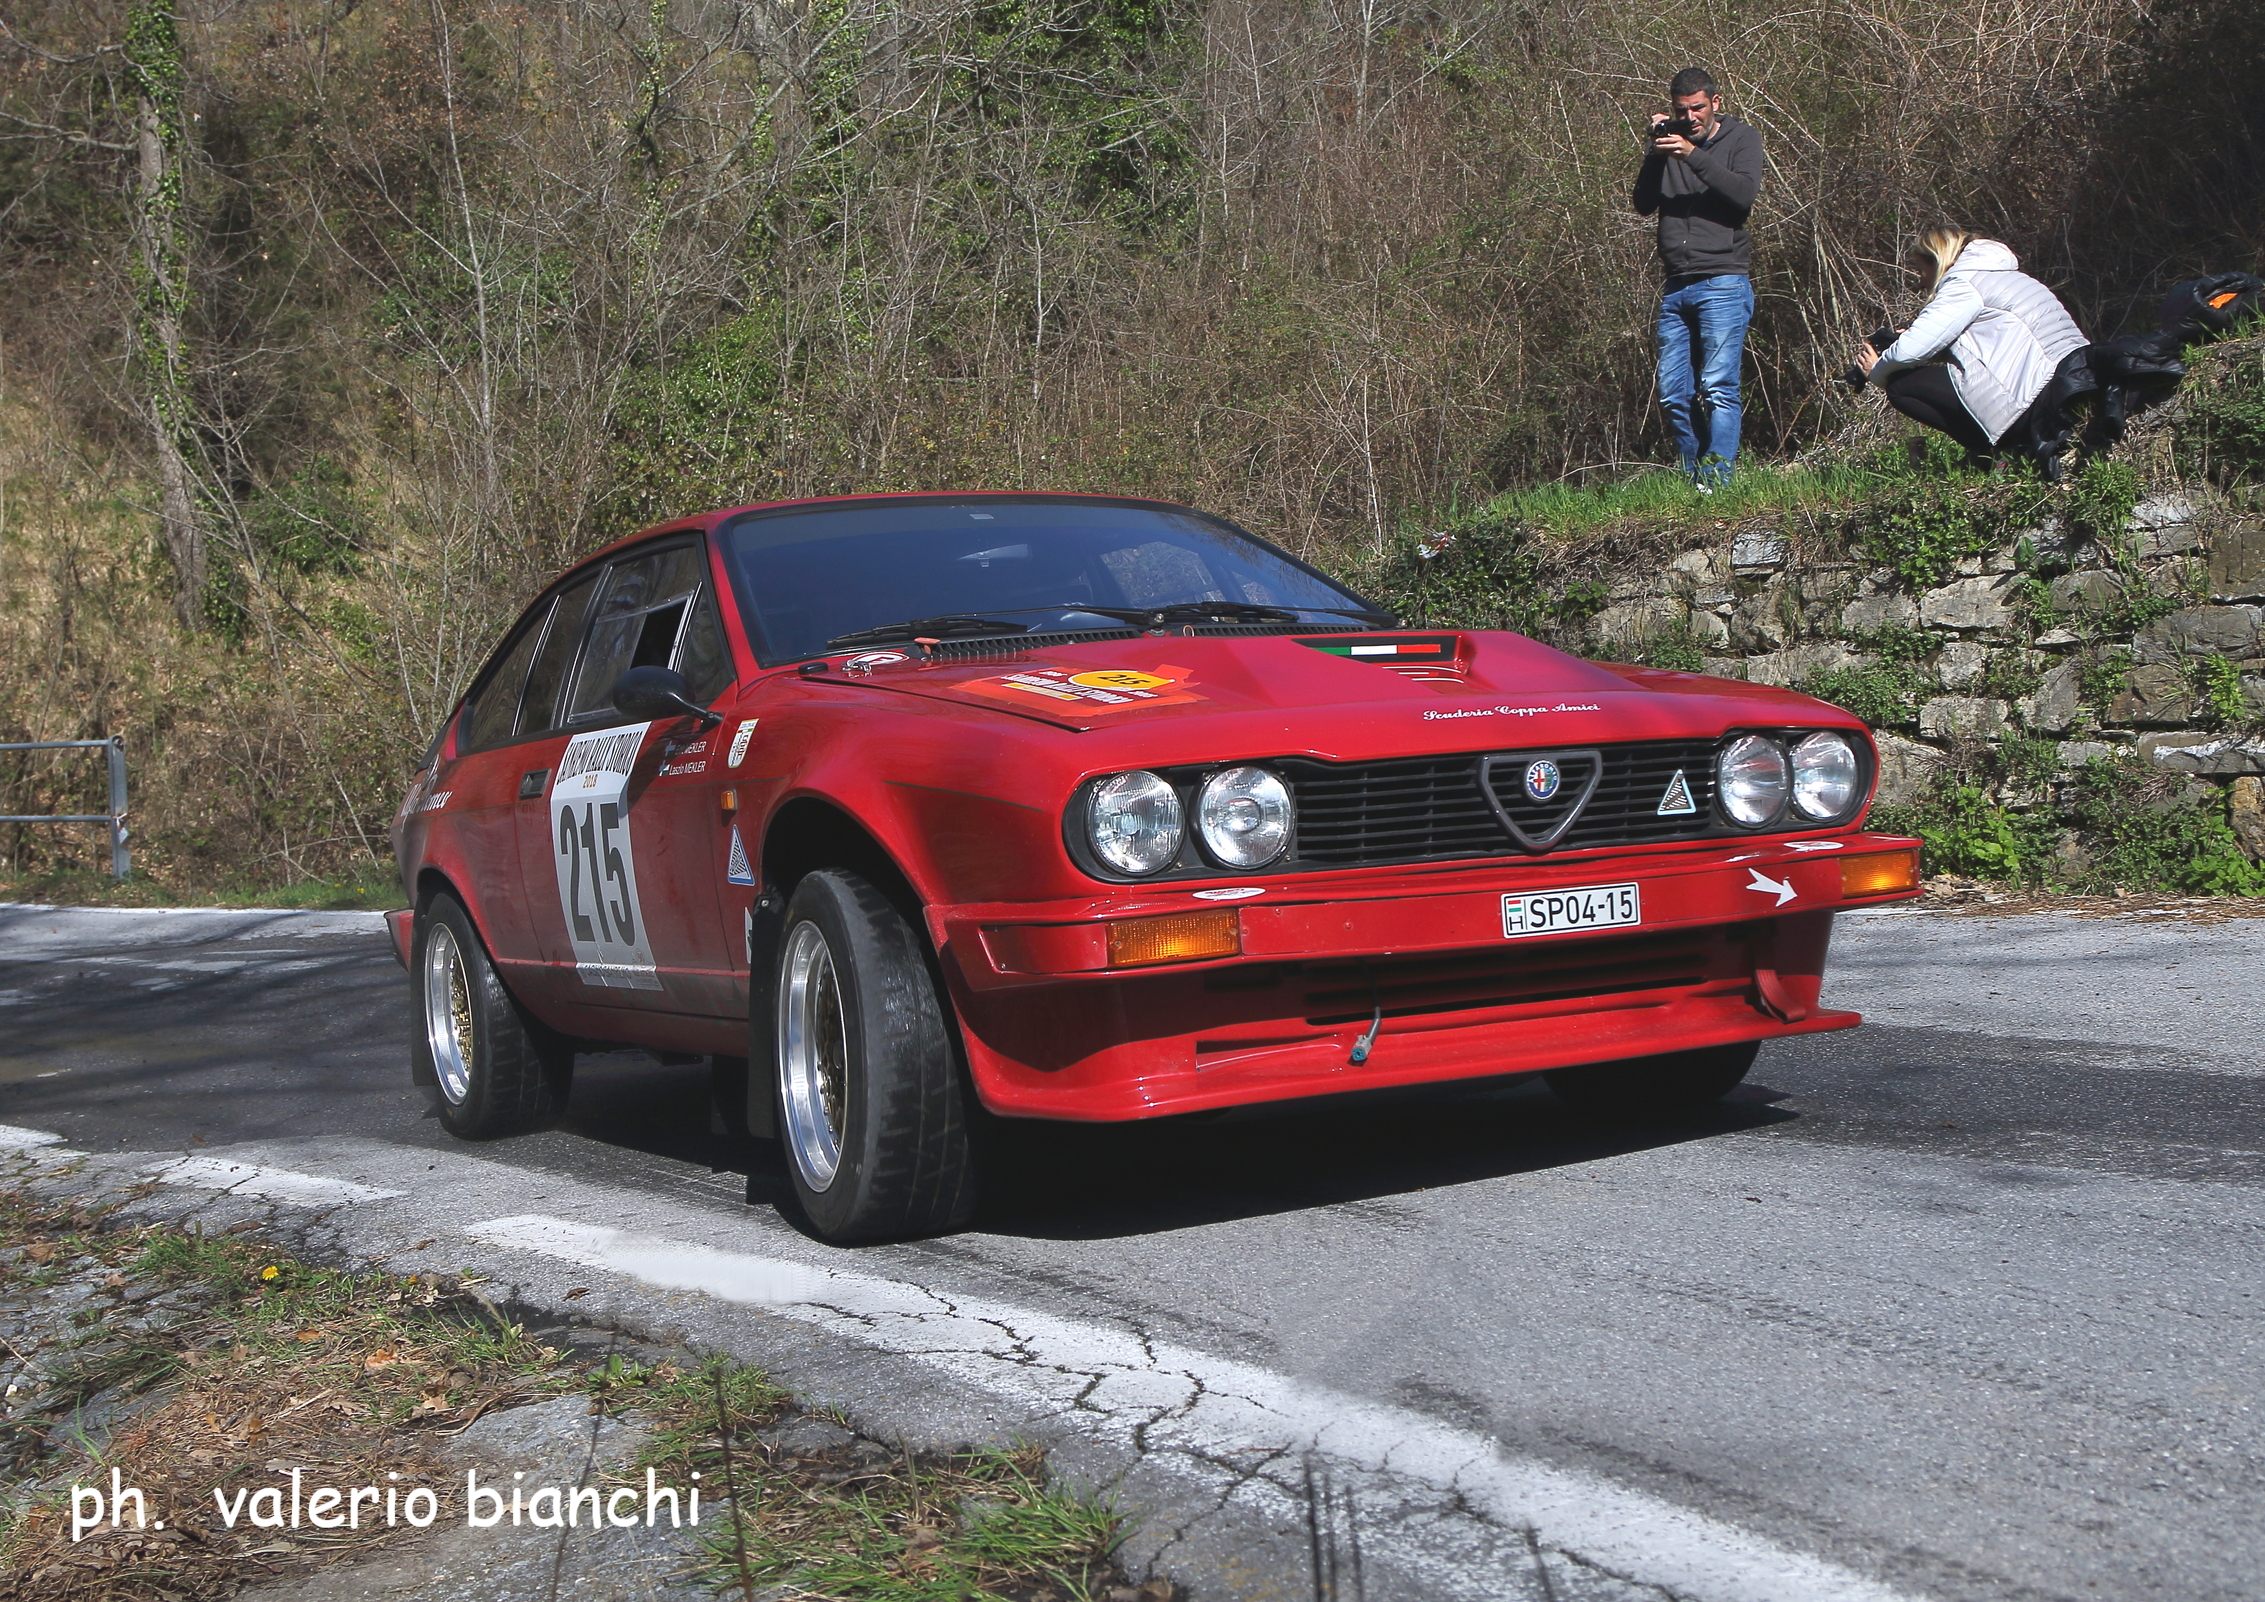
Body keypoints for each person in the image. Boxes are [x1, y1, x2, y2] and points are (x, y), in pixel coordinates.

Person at [1633, 66, 1765, 491]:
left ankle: (1717, 478)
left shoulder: (1742, 139)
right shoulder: (1667, 145)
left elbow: (1743, 194)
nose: (1690, 117)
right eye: (1681, 110)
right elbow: (1642, 203)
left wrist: (1692, 154)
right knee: (1674, 394)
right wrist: (1655, 153)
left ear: (1716, 104)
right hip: (1676, 285)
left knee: (1718, 386)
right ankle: (1697, 481)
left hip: (1723, 280)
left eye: (1698, 108)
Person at [1859, 228, 2086, 469]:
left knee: (1901, 386)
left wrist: (1876, 370)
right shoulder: (2010, 277)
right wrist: (1937, 351)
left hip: (2037, 403)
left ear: (1937, 261)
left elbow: (1907, 352)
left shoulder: (1965, 283)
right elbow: (1997, 346)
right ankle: (1997, 449)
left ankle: (1994, 452)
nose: (1921, 281)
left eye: (1921, 270)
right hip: (2073, 388)